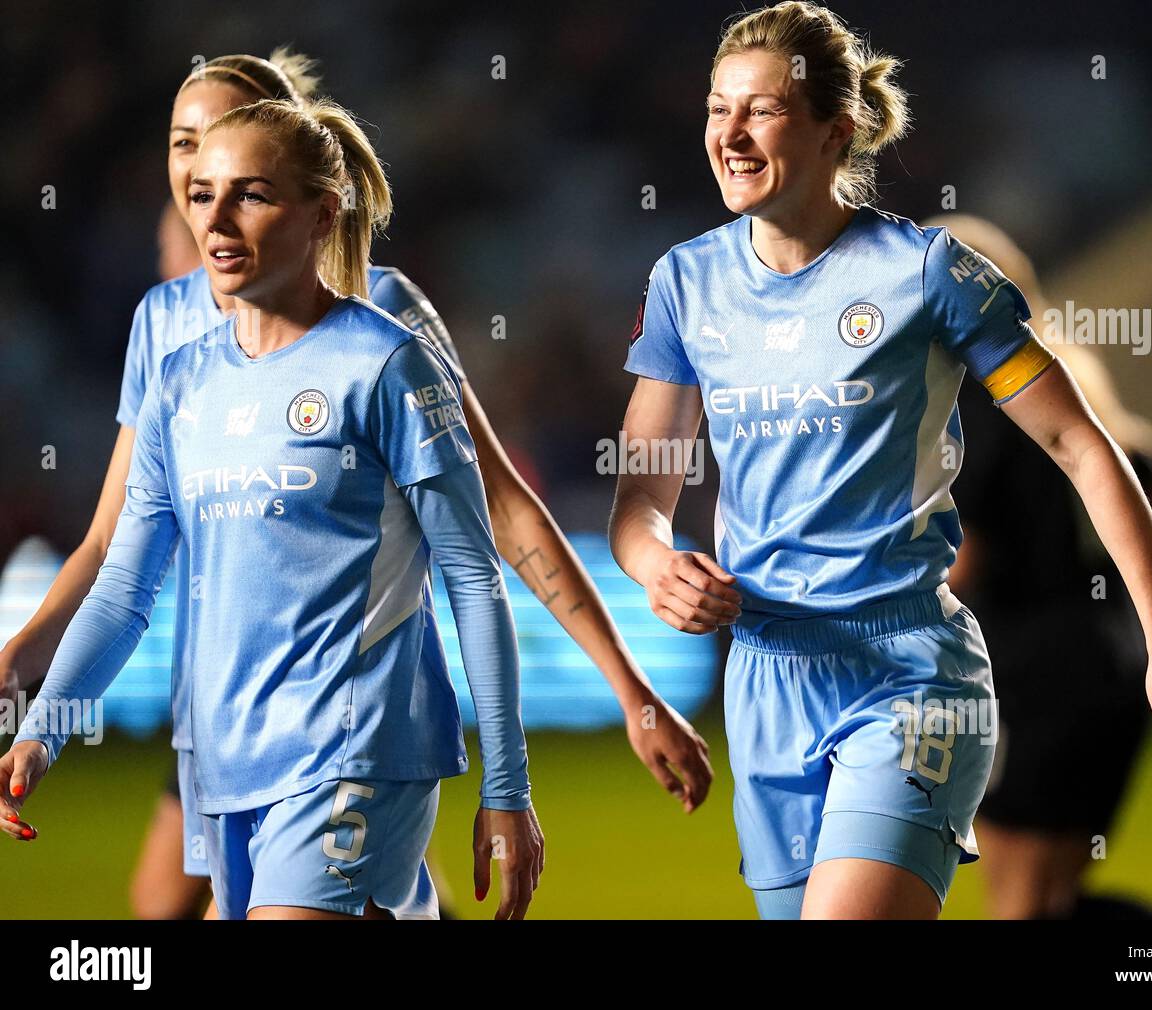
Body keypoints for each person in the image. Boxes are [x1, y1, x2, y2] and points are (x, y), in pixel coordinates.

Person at [0, 50, 712, 919]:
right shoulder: (174, 350)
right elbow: (118, 561)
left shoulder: (382, 335)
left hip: (354, 732)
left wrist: (604, 713)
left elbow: (491, 527)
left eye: (236, 166)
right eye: (185, 152)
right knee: (170, 911)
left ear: (301, 169)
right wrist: (36, 707)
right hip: (223, 723)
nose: (202, 178)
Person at [609, 0, 1152, 920]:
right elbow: (641, 499)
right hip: (766, 680)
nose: (728, 134)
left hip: (908, 673)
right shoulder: (685, 283)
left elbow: (1081, 445)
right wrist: (659, 568)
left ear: (834, 131)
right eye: (716, 107)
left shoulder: (931, 273)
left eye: (761, 110)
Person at [928, 214, 1152, 919]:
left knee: (1017, 902)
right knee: (1058, 899)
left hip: (1024, 674)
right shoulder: (1078, 384)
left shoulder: (981, 403)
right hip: (1113, 663)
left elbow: (961, 564)